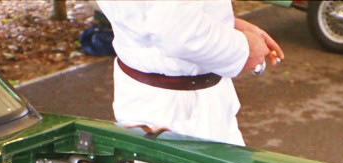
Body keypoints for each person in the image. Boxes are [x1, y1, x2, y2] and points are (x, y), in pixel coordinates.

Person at [97, 1, 284, 145]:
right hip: (178, 109)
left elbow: (153, 13)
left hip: (154, 97)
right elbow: (178, 33)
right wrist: (244, 48)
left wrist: (223, 21)